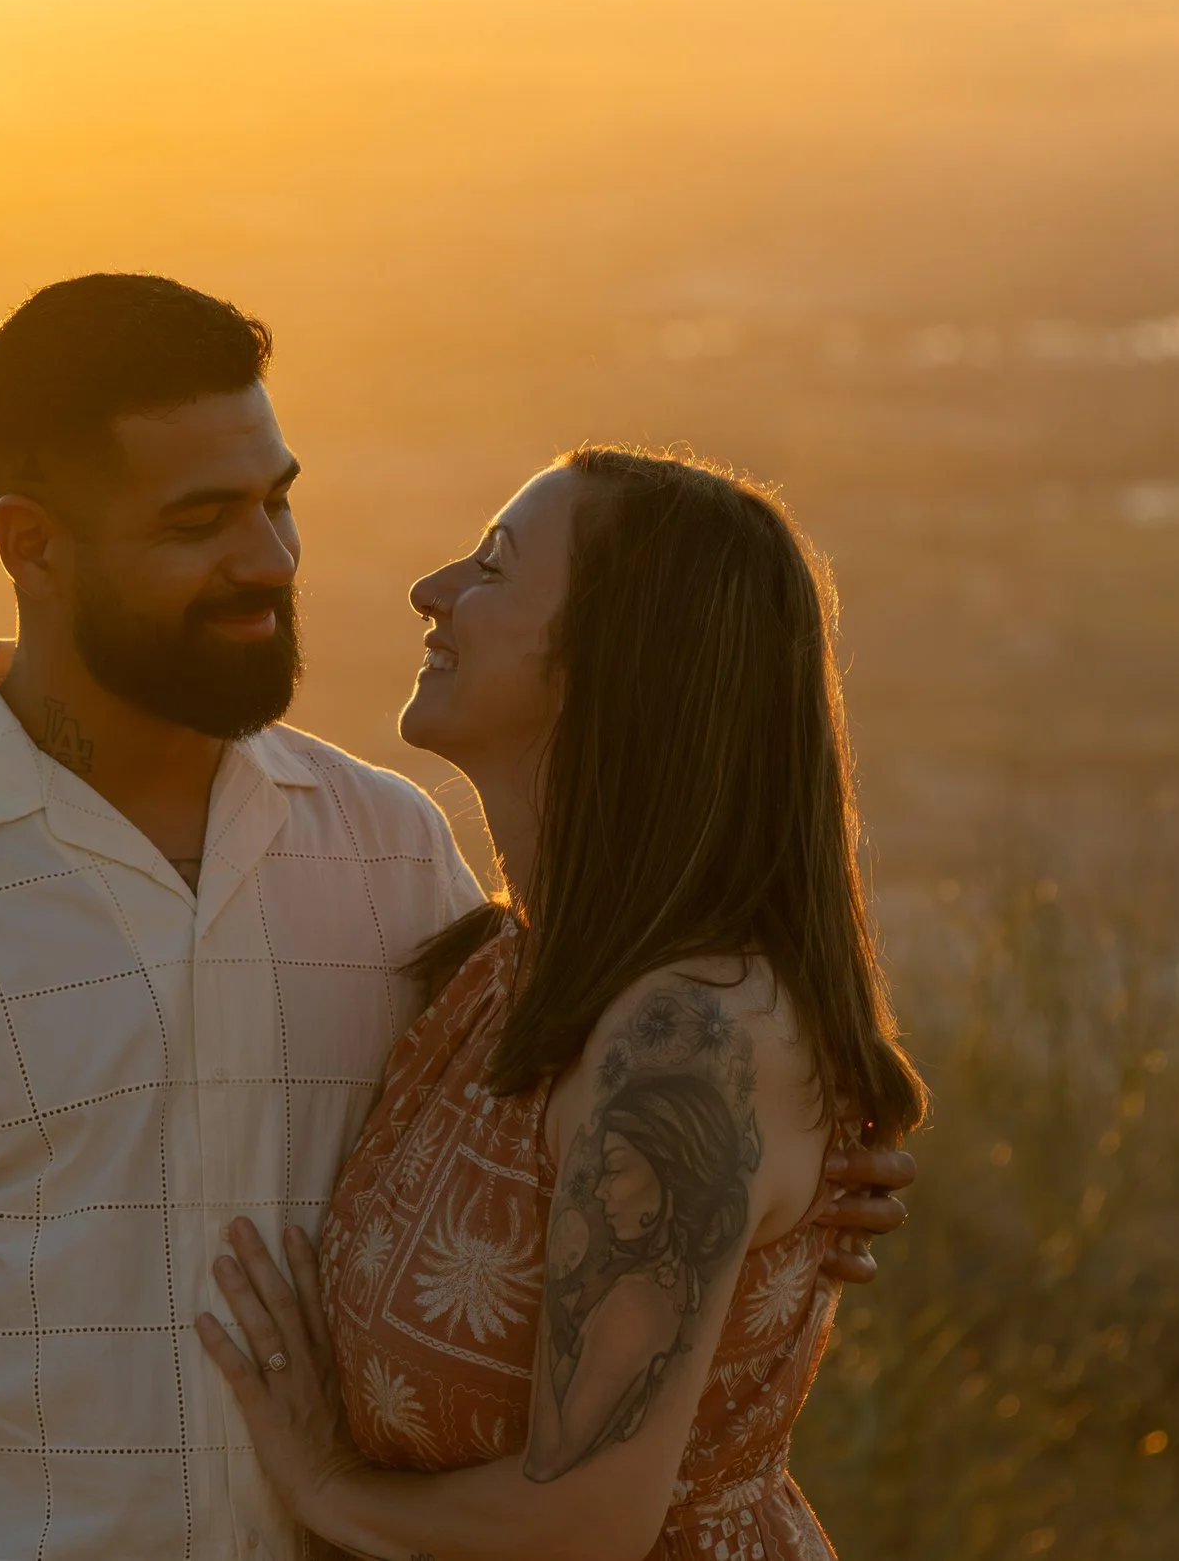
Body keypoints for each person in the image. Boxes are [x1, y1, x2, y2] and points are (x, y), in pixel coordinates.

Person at [0, 276, 915, 1561]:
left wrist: (797, 1170)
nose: (269, 557)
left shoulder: (388, 851)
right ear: (32, 543)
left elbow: (587, 1127)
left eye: (277, 499)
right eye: (200, 521)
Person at [195, 447, 928, 1560]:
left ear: (611, 661)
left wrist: (323, 1485)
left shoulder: (682, 1039)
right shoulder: (498, 969)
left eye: (492, 567)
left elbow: (586, 1521)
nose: (431, 588)